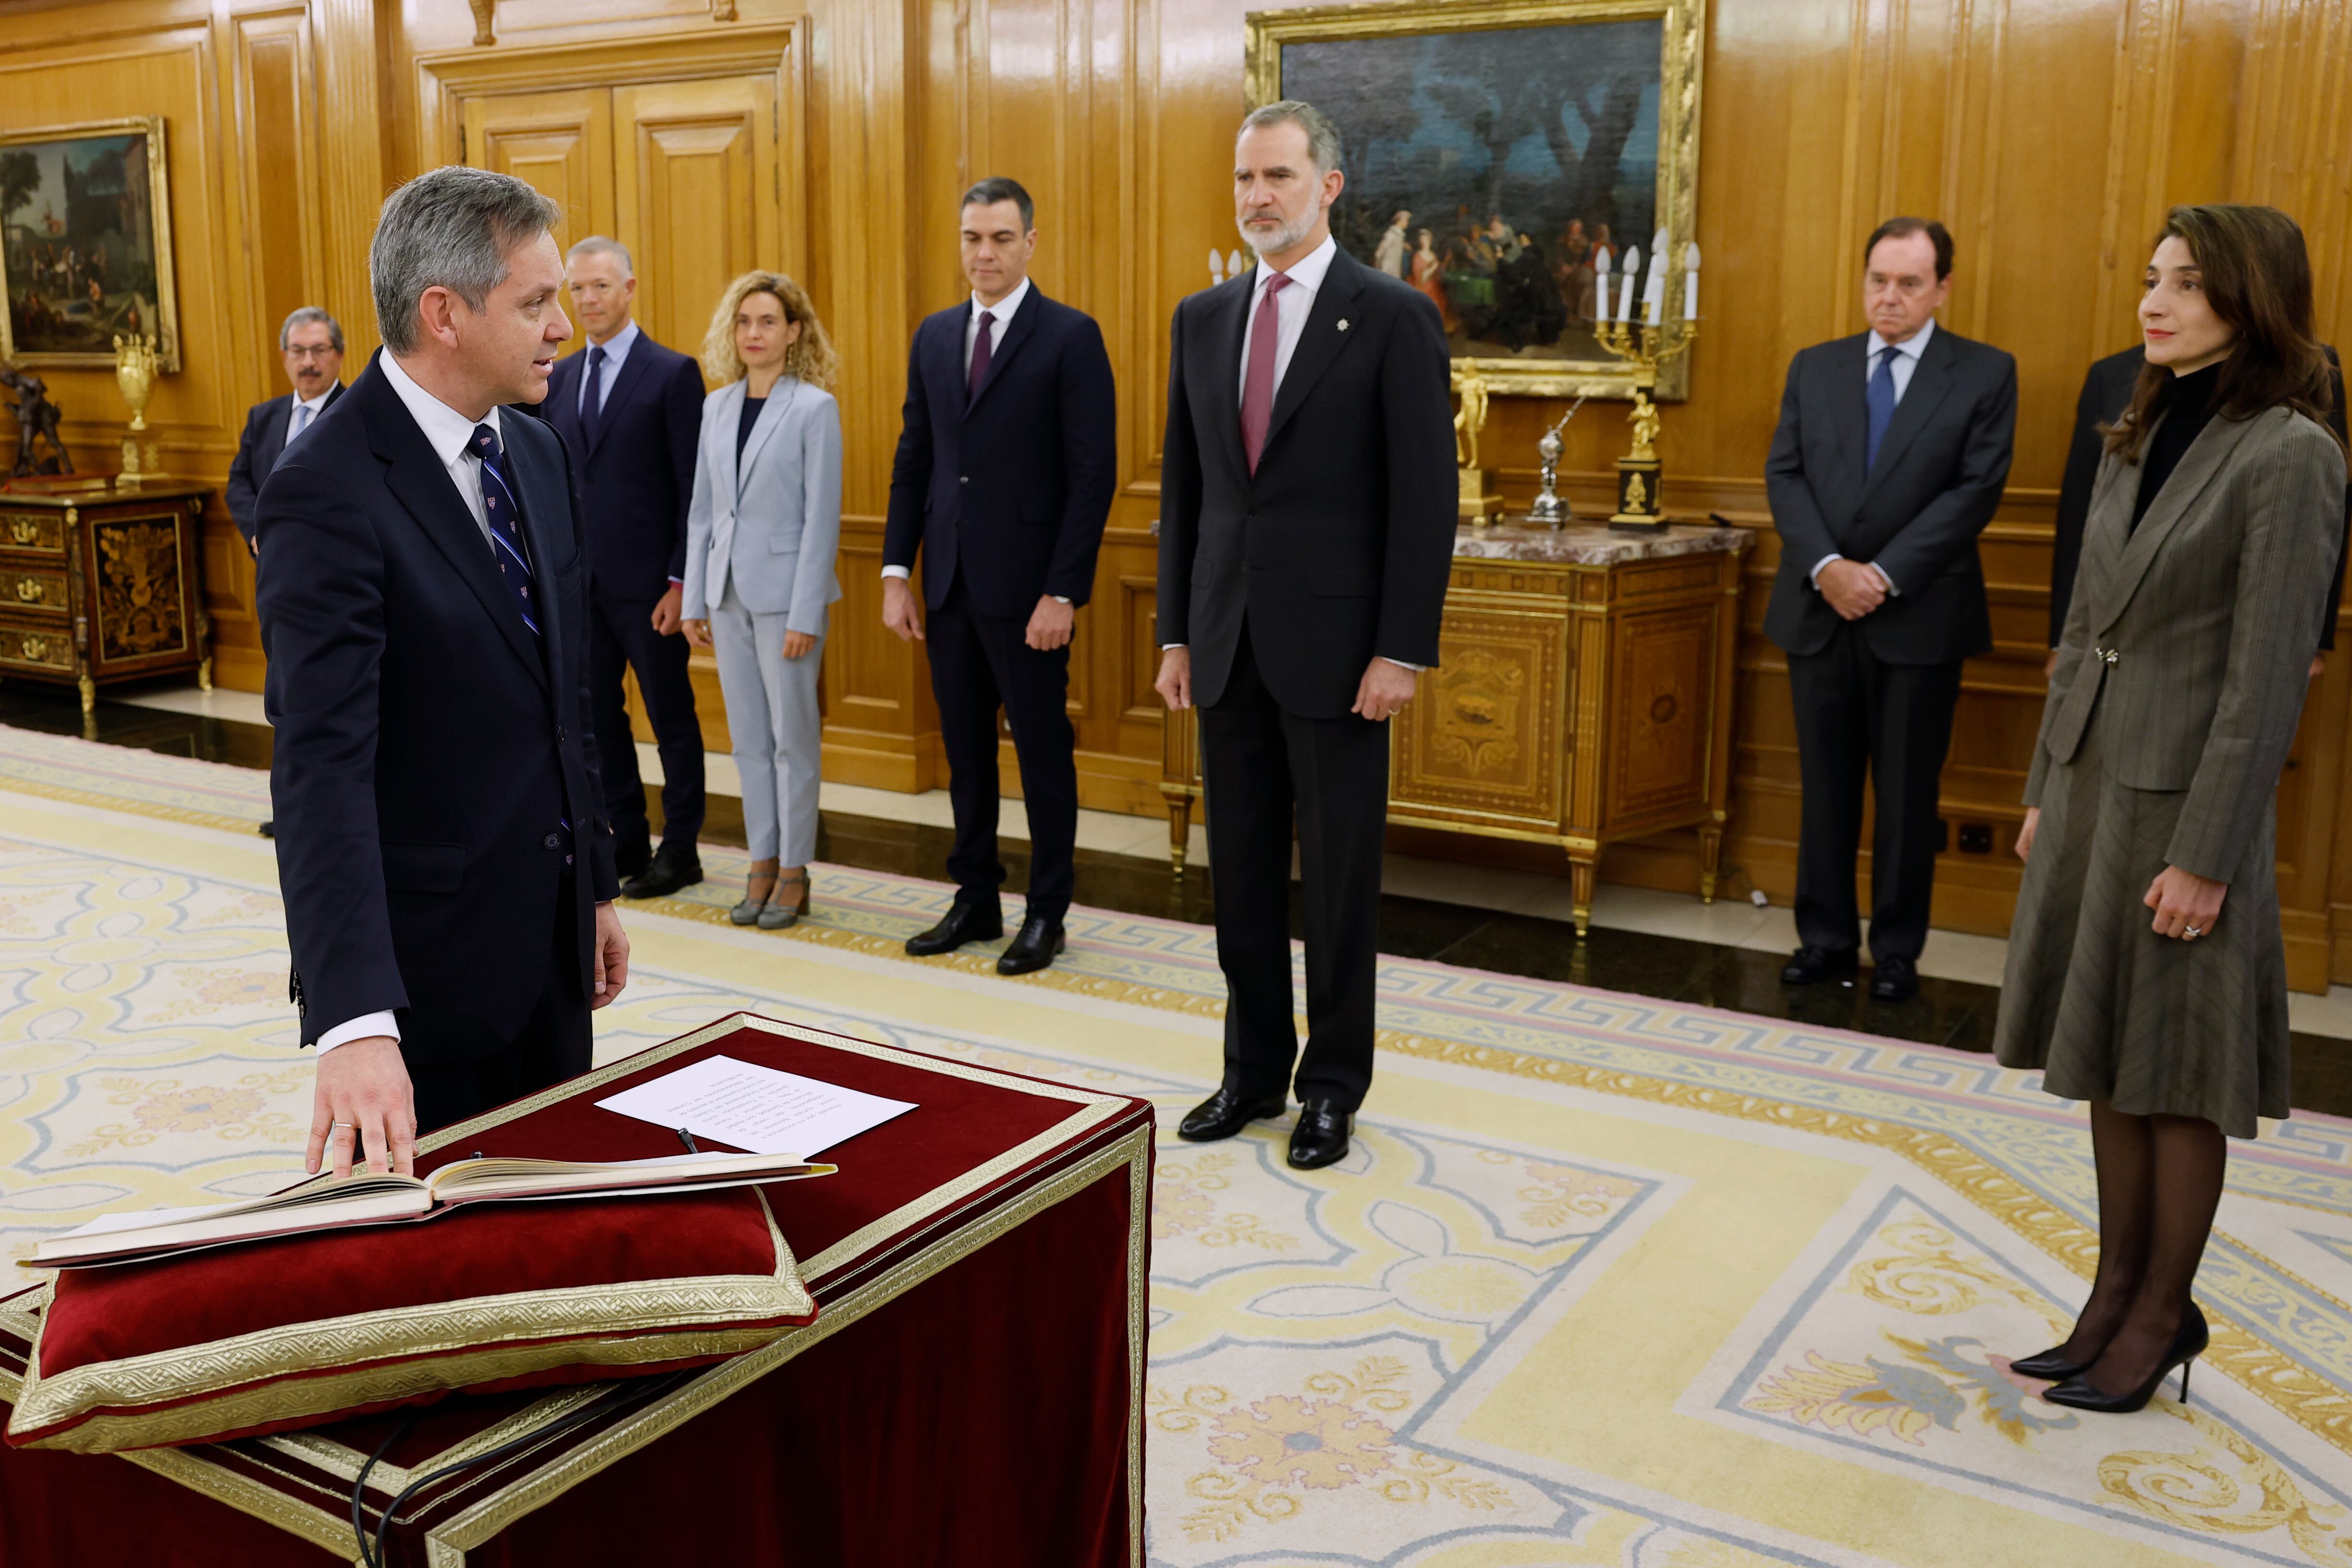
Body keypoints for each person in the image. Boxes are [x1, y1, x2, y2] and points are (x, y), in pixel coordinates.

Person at [1997, 205, 2347, 1413]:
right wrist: (2049, 781)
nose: (2154, 301)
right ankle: (2109, 1297)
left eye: (2186, 284)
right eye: (2149, 278)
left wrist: (2206, 856)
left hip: (2187, 804)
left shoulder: (2291, 450)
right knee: (2103, 1053)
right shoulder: (2135, 424)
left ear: (2247, 296)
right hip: (2095, 785)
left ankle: (2161, 1314)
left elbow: (2264, 678)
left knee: (2173, 1070)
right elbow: (2085, 626)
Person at [257, 165, 629, 1175]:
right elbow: (319, 772)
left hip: (551, 951)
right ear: (444, 314)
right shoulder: (323, 493)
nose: (564, 326)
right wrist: (353, 1021)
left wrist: (592, 882)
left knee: (558, 1228)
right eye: (537, 302)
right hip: (426, 983)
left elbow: (567, 696)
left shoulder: (538, 454)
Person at [1154, 100, 1454, 1170]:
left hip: (1340, 656)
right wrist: (1175, 635)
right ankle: (1249, 1072)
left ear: (1328, 185)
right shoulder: (1203, 317)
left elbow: (1426, 500)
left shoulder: (1391, 316)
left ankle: (1331, 1087)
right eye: (1244, 180)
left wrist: (1401, 649)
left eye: (1277, 177)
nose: (1257, 199)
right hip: (1226, 643)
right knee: (1239, 875)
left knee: (1334, 883)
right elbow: (1188, 498)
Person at [1763, 217, 2017, 1003]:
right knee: (1826, 786)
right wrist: (1830, 567)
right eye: (1878, 279)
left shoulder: (1983, 373)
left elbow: (1974, 491)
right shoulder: (1816, 367)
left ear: (1942, 287)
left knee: (1909, 795)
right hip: (1817, 609)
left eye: (1909, 283)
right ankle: (1825, 939)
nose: (1890, 297)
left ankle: (1899, 948)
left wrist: (1880, 574)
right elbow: (1786, 475)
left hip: (1919, 616)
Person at [881, 176, 1117, 976]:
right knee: (965, 750)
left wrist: (1063, 591)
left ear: (1030, 243)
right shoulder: (936, 334)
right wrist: (893, 568)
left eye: (1001, 239)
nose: (985, 253)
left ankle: (1046, 911)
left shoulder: (1070, 336)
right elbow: (916, 458)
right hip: (946, 583)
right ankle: (974, 895)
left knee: (1043, 752)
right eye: (973, 238)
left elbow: (1092, 476)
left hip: (1029, 596)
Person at [538, 236, 710, 900]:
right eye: (576, 289)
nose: (587, 300)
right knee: (598, 720)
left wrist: (680, 581)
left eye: (600, 286)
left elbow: (692, 487)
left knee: (672, 717)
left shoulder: (672, 373)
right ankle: (629, 837)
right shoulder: (561, 374)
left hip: (652, 588)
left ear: (630, 289)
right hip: (580, 586)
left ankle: (683, 846)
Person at [679, 273, 843, 929]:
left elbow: (821, 519)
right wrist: (695, 596)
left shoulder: (813, 409)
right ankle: (761, 861)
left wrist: (806, 614)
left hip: (786, 603)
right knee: (748, 741)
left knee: (791, 742)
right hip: (726, 595)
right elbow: (701, 513)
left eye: (768, 321)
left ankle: (795, 869)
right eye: (745, 321)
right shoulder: (715, 406)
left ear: (793, 331)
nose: (754, 333)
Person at [2049, 342, 2347, 674]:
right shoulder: (2110, 373)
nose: (2152, 306)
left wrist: (2312, 642)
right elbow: (2081, 514)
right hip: (2115, 655)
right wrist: (2068, 648)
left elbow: (2321, 518)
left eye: (2188, 286)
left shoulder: (2302, 369)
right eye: (2151, 286)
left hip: (2218, 653)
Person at [226, 306, 345, 556]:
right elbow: (239, 482)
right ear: (284, 357)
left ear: (339, 355)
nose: (308, 362)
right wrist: (256, 533)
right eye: (298, 351)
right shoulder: (262, 417)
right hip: (271, 564)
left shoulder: (356, 415)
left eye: (319, 350)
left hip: (333, 559)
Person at [1372, 209, 1411, 278]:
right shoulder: (1391, 234)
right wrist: (1378, 266)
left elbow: (1397, 245)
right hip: (1387, 270)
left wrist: (1404, 245)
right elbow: (1380, 251)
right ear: (1401, 220)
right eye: (1406, 220)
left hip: (1395, 270)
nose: (1407, 223)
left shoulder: (1399, 235)